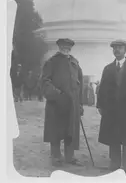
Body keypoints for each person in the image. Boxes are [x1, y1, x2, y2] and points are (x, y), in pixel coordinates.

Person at [96, 39, 126, 176]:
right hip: (112, 110)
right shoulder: (108, 69)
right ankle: (115, 164)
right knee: (113, 137)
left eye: (120, 48)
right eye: (115, 48)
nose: (117, 50)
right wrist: (100, 105)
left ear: (125, 50)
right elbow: (102, 89)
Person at [40, 38, 84, 167]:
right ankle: (56, 157)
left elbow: (79, 84)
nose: (66, 48)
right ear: (59, 46)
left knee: (70, 131)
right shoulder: (52, 62)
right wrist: (57, 95)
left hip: (72, 104)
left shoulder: (75, 62)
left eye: (68, 46)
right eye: (63, 46)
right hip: (56, 103)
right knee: (56, 131)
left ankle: (70, 157)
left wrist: (80, 104)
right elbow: (45, 82)